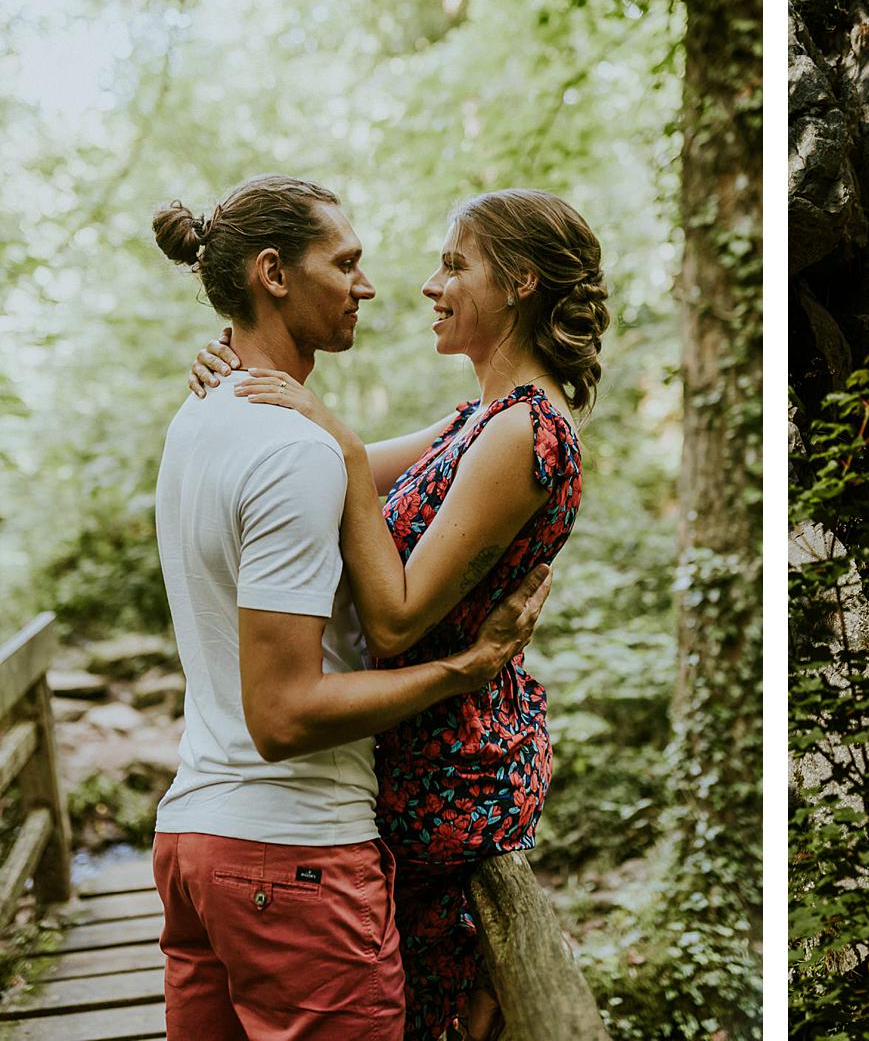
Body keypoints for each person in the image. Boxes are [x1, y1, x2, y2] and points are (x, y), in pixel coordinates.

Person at [187, 186, 608, 1039]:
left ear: (522, 283)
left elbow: (395, 619)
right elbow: (309, 471)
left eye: (455, 265)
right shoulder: (478, 420)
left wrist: (335, 437)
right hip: (404, 763)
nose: (427, 285)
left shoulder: (529, 434)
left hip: (450, 773)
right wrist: (230, 368)